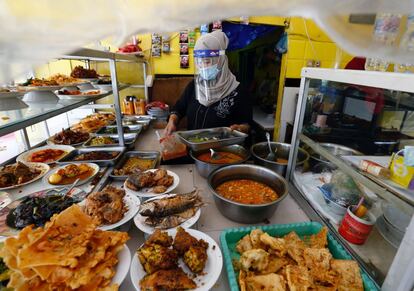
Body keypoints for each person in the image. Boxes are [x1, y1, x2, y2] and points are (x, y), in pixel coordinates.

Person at [165, 30, 252, 135]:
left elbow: (247, 124)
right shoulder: (194, 86)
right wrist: (172, 121)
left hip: (222, 150)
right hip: (193, 145)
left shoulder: (239, 92)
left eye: (206, 62)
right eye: (199, 62)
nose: (202, 67)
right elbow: (179, 108)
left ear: (220, 61)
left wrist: (241, 128)